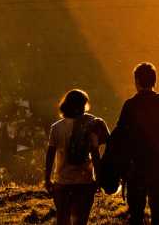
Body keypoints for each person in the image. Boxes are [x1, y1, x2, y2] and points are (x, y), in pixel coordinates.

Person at [116, 62, 159, 225]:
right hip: (155, 162)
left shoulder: (130, 105)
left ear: (137, 81)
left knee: (136, 212)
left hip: (135, 164)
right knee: (158, 208)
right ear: (155, 81)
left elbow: (120, 136)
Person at [45, 89, 109, 225]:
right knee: (81, 222)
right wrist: (98, 178)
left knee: (63, 220)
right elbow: (95, 154)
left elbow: (50, 155)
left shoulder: (56, 128)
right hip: (84, 182)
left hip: (62, 182)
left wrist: (47, 179)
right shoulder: (90, 125)